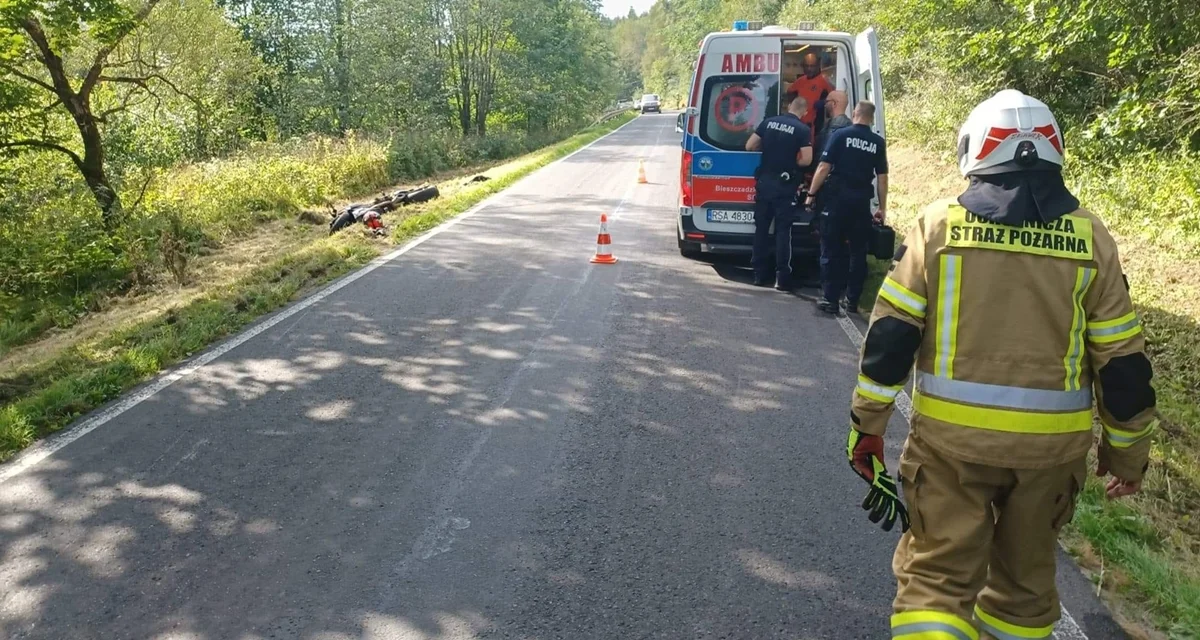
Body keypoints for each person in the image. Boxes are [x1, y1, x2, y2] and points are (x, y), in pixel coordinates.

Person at [845, 89, 1157, 640]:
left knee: (935, 583)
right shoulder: (1092, 239)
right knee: (1023, 595)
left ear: (974, 153)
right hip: (1050, 456)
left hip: (950, 448)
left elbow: (891, 340)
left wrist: (868, 426)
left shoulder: (937, 228)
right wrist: (1127, 455)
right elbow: (1123, 364)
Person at [805, 100, 888, 314]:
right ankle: (852, 300)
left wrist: (811, 194)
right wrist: (882, 208)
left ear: (855, 113)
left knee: (830, 248)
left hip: (837, 200)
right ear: (871, 117)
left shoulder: (840, 135)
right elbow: (882, 179)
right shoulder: (878, 142)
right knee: (858, 252)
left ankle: (830, 299)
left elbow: (824, 167)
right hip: (860, 202)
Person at [745, 92, 813, 290]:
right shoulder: (802, 129)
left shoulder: (768, 122)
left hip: (765, 183)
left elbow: (750, 146)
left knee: (761, 230)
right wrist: (792, 163)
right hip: (785, 186)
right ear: (805, 111)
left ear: (789, 106)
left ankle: (758, 274)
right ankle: (781, 278)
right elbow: (807, 160)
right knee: (783, 232)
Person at [786, 52, 834, 127]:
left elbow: (833, 100)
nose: (809, 69)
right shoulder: (800, 81)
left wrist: (823, 102)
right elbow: (789, 93)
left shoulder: (824, 81)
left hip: (816, 125)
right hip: (798, 123)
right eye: (807, 66)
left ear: (817, 66)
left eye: (812, 66)